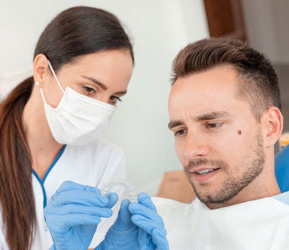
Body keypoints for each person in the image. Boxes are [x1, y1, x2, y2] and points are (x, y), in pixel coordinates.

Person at [45, 38, 289, 249]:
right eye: (180, 130)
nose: (191, 150)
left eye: (212, 124)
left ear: (269, 127)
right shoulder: (150, 224)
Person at [0, 6, 134, 250]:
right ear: (41, 70)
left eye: (114, 98)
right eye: (89, 89)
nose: (101, 109)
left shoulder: (107, 159)